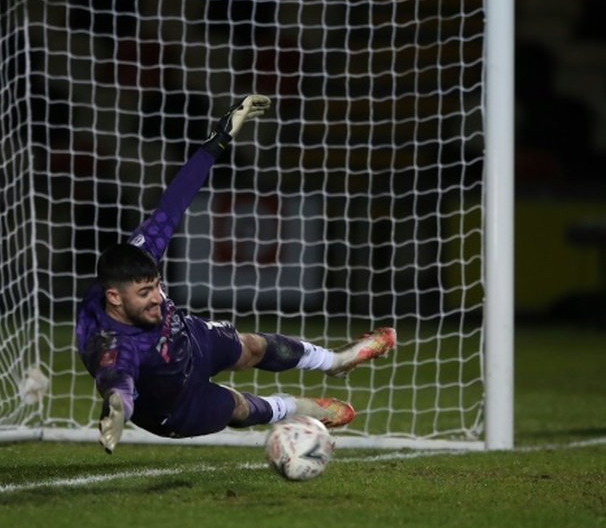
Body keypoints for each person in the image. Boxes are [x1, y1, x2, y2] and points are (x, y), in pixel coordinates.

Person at [75, 94, 396, 453]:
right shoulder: (108, 340)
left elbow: (175, 200)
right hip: (172, 407)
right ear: (114, 298)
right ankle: (295, 409)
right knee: (239, 406)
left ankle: (335, 361)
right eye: (145, 293)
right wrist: (117, 410)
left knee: (251, 346)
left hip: (186, 339)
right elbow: (115, 380)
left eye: (156, 286)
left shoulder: (139, 257)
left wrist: (218, 138)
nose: (156, 297)